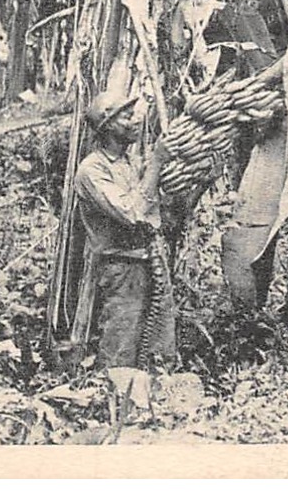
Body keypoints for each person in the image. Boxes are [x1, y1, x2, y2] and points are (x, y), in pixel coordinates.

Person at [69, 84, 177, 400]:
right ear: (107, 126)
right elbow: (133, 213)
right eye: (125, 116)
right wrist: (156, 163)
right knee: (122, 343)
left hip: (150, 261)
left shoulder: (129, 162)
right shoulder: (92, 170)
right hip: (123, 270)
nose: (134, 120)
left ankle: (152, 409)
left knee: (157, 340)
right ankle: (114, 409)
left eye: (132, 113)